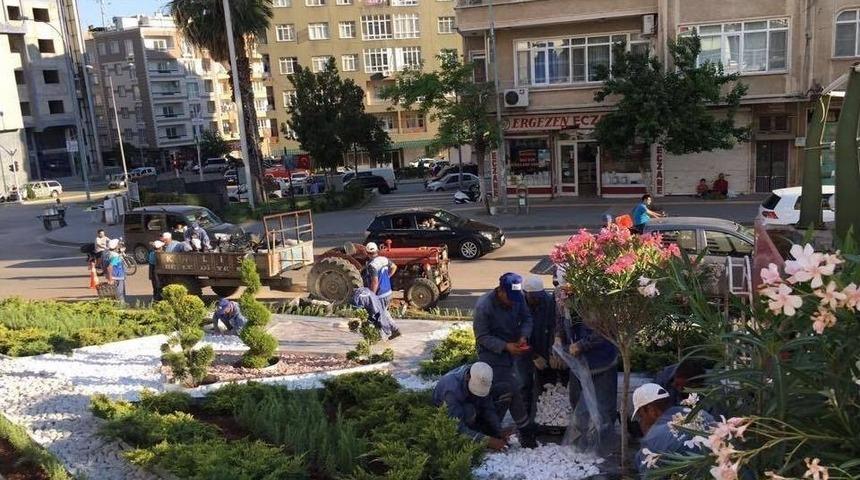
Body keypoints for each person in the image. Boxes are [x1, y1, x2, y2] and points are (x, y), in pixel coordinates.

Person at [473, 272, 538, 448]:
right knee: (506, 390)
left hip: (512, 348)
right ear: (500, 291)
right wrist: (505, 346)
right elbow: (482, 336)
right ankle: (498, 433)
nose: (513, 303)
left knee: (509, 389)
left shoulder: (518, 298)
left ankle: (497, 432)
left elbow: (527, 319)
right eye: (510, 298)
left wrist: (523, 336)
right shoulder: (484, 306)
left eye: (516, 299)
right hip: (491, 353)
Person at [554, 309, 619, 450]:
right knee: (578, 405)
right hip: (580, 365)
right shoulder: (564, 302)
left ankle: (603, 447)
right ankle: (581, 445)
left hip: (602, 362)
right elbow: (561, 318)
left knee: (603, 408)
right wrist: (559, 335)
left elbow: (604, 331)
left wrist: (581, 345)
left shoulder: (595, 304)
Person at [632, 383, 714, 476]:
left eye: (641, 416)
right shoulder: (700, 413)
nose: (641, 421)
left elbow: (649, 475)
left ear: (651, 410)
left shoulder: (653, 440)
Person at [432, 362, 510, 451]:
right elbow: (456, 427)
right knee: (469, 411)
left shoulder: (482, 375)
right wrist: (487, 441)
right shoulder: (451, 391)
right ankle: (474, 435)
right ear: (467, 377)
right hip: (452, 414)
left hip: (470, 404)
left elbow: (488, 407)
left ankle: (484, 432)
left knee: (505, 391)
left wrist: (498, 429)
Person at [518, 275, 562, 423]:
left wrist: (552, 352)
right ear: (525, 293)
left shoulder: (547, 301)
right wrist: (534, 356)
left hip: (543, 346)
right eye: (534, 297)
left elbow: (554, 326)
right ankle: (524, 423)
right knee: (524, 385)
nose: (537, 299)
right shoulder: (517, 306)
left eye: (539, 296)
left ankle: (543, 419)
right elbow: (516, 336)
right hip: (523, 352)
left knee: (546, 386)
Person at [364, 242, 397, 310]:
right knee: (384, 313)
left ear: (367, 253)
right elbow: (394, 267)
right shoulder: (384, 259)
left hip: (380, 295)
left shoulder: (372, 265)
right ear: (377, 251)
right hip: (388, 292)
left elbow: (375, 283)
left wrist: (371, 297)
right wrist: (388, 276)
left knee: (377, 314)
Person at [104, 238, 126, 306]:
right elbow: (109, 267)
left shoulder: (107, 254)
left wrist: (107, 276)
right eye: (118, 245)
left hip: (113, 277)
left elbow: (104, 266)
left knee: (114, 295)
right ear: (116, 246)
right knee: (120, 294)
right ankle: (121, 308)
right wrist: (110, 279)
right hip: (117, 277)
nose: (119, 246)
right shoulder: (115, 256)